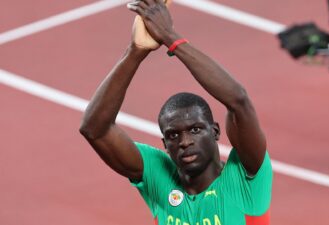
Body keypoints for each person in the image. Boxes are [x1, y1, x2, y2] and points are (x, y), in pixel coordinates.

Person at [79, 0, 273, 224]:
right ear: (164, 144)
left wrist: (170, 37)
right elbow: (94, 129)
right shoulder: (158, 177)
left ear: (215, 131)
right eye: (173, 135)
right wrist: (135, 52)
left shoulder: (245, 178)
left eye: (195, 129)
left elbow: (238, 100)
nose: (185, 141)